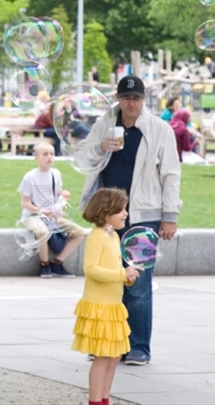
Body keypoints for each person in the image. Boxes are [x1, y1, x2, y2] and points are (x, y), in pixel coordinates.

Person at [76, 74, 181, 366]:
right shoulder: (104, 124)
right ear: (118, 99)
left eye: (135, 98)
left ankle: (139, 347)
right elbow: (82, 156)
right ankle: (112, 345)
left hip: (145, 218)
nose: (130, 104)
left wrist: (169, 216)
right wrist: (101, 147)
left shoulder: (160, 129)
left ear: (143, 100)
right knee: (110, 284)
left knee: (138, 284)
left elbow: (171, 174)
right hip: (108, 217)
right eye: (125, 98)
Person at [72, 188, 140, 405]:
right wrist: (121, 274)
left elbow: (113, 268)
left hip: (113, 306)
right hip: (100, 306)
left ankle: (104, 399)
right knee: (103, 356)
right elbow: (91, 269)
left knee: (115, 355)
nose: (126, 213)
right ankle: (96, 401)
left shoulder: (113, 236)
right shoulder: (97, 237)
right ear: (106, 212)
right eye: (121, 210)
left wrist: (127, 277)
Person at [18, 143, 86, 278]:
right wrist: (41, 211)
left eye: (52, 154)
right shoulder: (30, 177)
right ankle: (44, 264)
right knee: (43, 232)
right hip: (33, 216)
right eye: (45, 154)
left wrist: (63, 198)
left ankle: (57, 263)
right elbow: (24, 203)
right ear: (36, 158)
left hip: (52, 216)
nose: (49, 157)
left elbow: (57, 196)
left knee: (80, 233)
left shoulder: (56, 174)